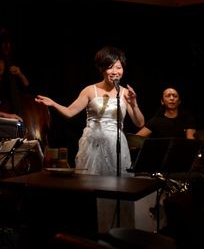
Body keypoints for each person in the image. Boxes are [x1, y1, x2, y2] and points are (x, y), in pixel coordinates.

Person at [34, 45, 145, 232]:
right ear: (102, 69)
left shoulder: (126, 93)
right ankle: (90, 230)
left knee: (117, 187)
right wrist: (53, 103)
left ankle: (116, 230)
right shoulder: (90, 90)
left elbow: (140, 122)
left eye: (119, 67)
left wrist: (133, 104)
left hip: (117, 145)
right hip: (93, 145)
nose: (115, 71)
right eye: (110, 67)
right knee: (92, 187)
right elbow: (70, 112)